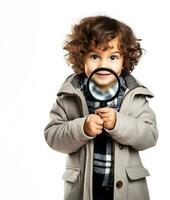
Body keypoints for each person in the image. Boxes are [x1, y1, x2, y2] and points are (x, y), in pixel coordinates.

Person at [44, 16, 158, 200]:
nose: (103, 65)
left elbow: (149, 136)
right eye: (95, 56)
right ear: (82, 59)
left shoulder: (135, 95)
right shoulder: (69, 95)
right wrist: (82, 127)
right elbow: (52, 136)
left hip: (127, 189)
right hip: (84, 189)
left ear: (124, 61)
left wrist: (119, 124)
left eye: (113, 57)